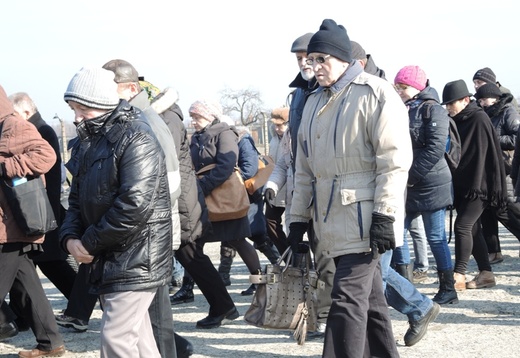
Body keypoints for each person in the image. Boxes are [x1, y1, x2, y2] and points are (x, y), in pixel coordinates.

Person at [288, 19, 412, 357]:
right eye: (310, 60)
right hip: (329, 221)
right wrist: (297, 219)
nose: (313, 67)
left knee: (345, 300)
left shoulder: (376, 93)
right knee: (368, 302)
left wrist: (385, 214)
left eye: (320, 60)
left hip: (365, 220)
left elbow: (394, 160)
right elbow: (304, 170)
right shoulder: (314, 101)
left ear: (342, 59)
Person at [60, 67, 172, 357]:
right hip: (107, 256)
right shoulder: (88, 141)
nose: (76, 117)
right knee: (138, 340)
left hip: (137, 255)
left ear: (102, 104)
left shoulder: (137, 136)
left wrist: (87, 243)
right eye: (73, 109)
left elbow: (134, 205)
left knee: (116, 338)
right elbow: (76, 198)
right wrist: (70, 238)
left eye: (83, 109)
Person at [101, 59, 187, 358]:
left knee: (156, 313)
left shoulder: (146, 120)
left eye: (110, 89)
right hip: (140, 229)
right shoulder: (130, 118)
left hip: (151, 229)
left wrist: (139, 216)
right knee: (145, 317)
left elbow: (171, 181)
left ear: (131, 88)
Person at [0, 85, 65, 357]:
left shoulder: (13, 126)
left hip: (11, 226)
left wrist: (5, 167)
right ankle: (51, 343)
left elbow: (46, 155)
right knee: (27, 286)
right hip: (8, 227)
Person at [392, 65, 458, 305]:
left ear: (417, 87)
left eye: (403, 87)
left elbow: (435, 148)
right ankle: (404, 286)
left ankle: (448, 288)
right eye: (397, 86)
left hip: (431, 184)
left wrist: (410, 177)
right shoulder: (402, 109)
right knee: (397, 235)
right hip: (408, 185)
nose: (399, 91)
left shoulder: (434, 111)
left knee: (436, 237)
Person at [285, 31, 335, 339]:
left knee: (337, 259)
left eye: (311, 57)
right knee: (322, 255)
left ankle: (416, 305)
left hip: (330, 185)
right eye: (300, 58)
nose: (305, 63)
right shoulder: (302, 92)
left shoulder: (328, 90)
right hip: (307, 182)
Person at [188, 99, 252, 328]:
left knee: (236, 242)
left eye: (197, 117)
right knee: (191, 248)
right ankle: (221, 305)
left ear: (210, 116)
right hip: (204, 201)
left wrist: (203, 187)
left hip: (221, 199)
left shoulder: (224, 133)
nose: (193, 121)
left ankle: (252, 287)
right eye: (192, 117)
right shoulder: (195, 138)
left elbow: (227, 164)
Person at [441, 79, 505, 291]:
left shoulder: (478, 119)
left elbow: (485, 157)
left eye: (452, 103)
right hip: (462, 184)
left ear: (465, 100)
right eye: (447, 104)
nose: (449, 107)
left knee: (462, 226)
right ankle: (486, 273)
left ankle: (458, 273)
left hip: (480, 185)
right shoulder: (455, 121)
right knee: (474, 229)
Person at [217, 117, 281, 296]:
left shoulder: (243, 140)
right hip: (234, 195)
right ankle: (224, 275)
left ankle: (278, 269)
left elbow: (249, 169)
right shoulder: (230, 140)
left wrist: (226, 182)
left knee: (257, 235)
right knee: (230, 235)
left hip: (247, 196)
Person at [474, 83, 520, 264]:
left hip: (505, 169)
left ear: (495, 97)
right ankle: (494, 251)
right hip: (487, 169)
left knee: (507, 209)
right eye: (480, 100)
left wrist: (492, 138)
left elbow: (516, 139)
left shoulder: (508, 112)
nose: (482, 103)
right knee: (487, 211)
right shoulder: (483, 113)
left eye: (484, 99)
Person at [263, 107, 289, 257]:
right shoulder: (274, 139)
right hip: (275, 188)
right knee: (270, 223)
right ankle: (288, 259)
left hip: (292, 188)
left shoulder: (294, 136)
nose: (277, 128)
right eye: (275, 125)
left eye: (281, 125)